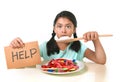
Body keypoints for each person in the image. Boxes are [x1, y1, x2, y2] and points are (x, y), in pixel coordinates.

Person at [9, 10, 106, 64]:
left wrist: (96, 40)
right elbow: (22, 60)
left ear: (74, 29)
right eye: (59, 26)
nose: (63, 30)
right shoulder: (45, 47)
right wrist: (16, 46)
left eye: (68, 26)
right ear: (54, 29)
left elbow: (101, 60)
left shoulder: (79, 47)